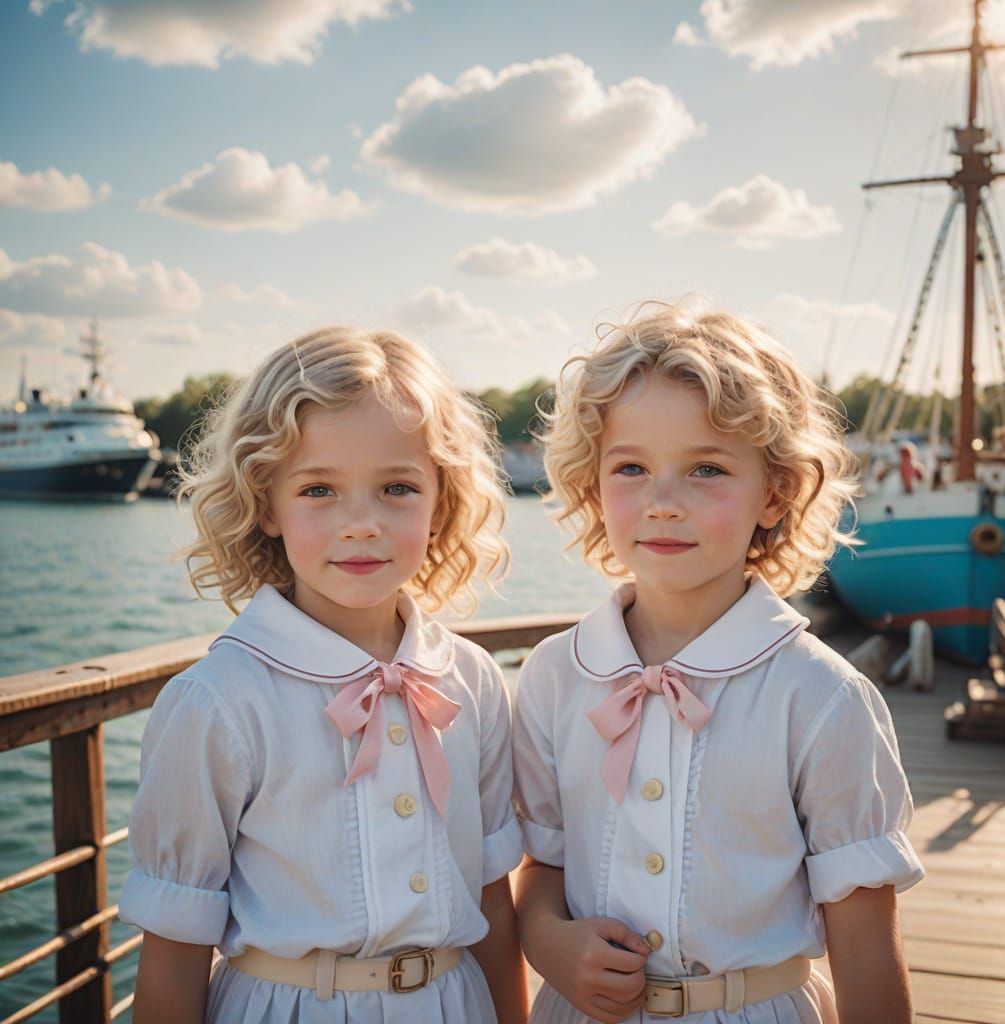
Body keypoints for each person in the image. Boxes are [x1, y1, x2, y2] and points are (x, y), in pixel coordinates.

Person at [513, 303, 925, 1024]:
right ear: (593, 486)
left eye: (705, 468)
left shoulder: (821, 697)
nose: (663, 502)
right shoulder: (553, 675)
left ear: (775, 493)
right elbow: (542, 868)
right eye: (631, 468)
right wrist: (551, 944)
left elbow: (863, 947)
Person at [122, 327, 527, 1024]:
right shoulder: (218, 702)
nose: (361, 524)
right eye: (319, 489)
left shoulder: (474, 680)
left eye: (397, 487)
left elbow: (493, 900)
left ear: (442, 503)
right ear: (266, 504)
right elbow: (175, 951)